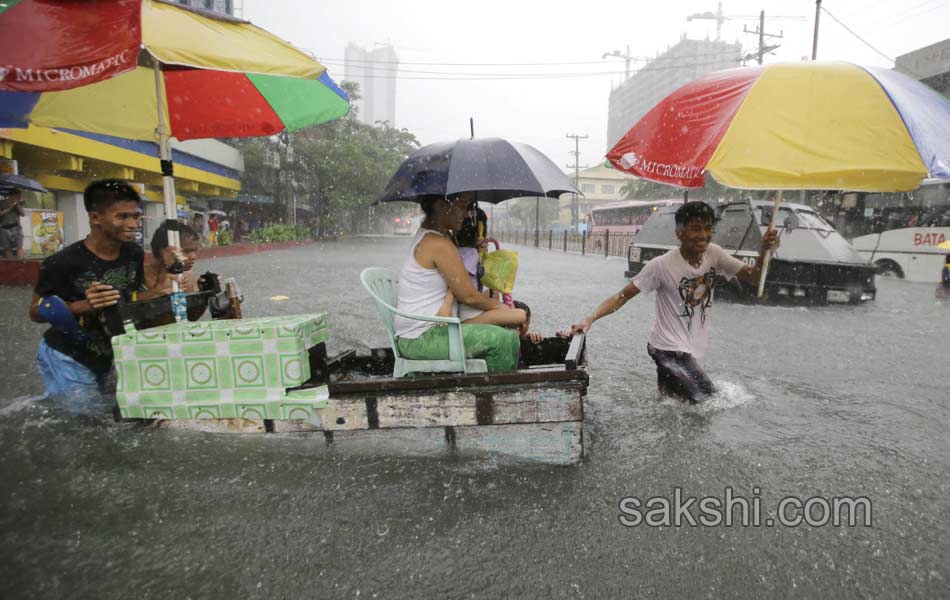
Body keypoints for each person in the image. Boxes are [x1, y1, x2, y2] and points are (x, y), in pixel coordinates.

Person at [571, 201, 780, 404]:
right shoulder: (660, 266)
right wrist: (590, 319)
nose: (704, 236)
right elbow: (621, 297)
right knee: (705, 401)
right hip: (664, 349)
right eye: (696, 229)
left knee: (672, 402)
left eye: (708, 228)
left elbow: (753, 276)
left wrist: (764, 252)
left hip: (685, 349)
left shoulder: (714, 254)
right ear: (679, 233)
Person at [28, 180, 172, 401]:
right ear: (95, 218)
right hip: (66, 355)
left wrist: (159, 288)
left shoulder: (133, 253)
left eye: (136, 216)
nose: (134, 224)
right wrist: (82, 306)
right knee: (84, 420)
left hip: (106, 355)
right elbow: (36, 311)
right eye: (122, 217)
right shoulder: (62, 262)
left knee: (108, 415)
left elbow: (127, 300)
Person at [394, 192, 526, 373]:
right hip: (421, 338)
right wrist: (497, 306)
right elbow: (469, 296)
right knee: (501, 341)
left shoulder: (436, 238)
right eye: (462, 207)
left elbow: (459, 286)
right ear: (440, 206)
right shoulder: (437, 243)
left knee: (510, 337)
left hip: (428, 332)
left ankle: (493, 390)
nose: (466, 215)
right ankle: (491, 397)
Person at [0, 189, 25, 258]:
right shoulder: (2, 202)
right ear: (12, 195)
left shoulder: (19, 203)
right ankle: (12, 264)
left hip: (16, 227)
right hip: (4, 227)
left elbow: (23, 214)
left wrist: (17, 205)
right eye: (18, 196)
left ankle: (20, 264)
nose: (20, 198)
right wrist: (10, 207)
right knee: (7, 248)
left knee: (19, 246)